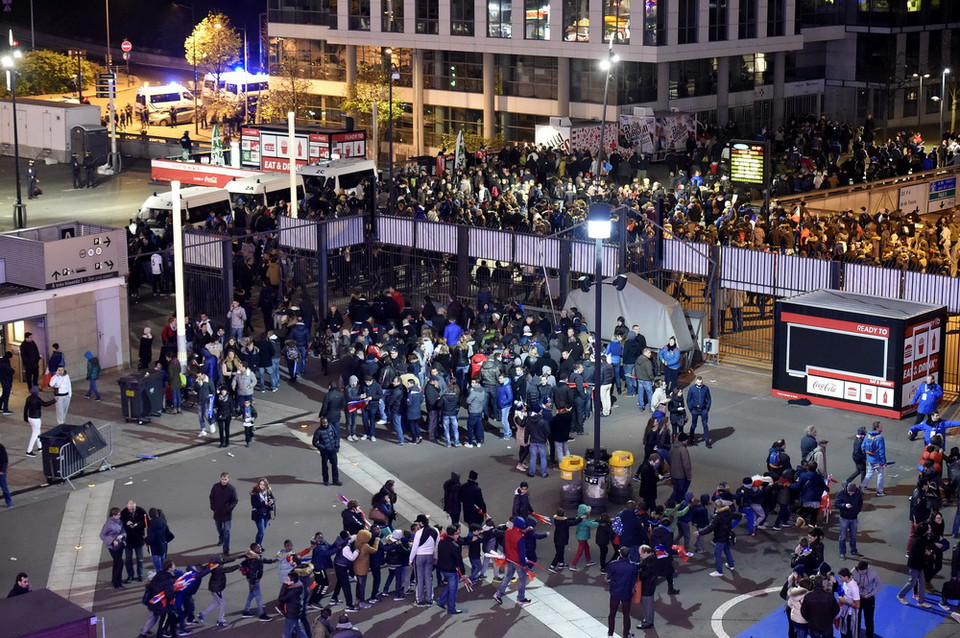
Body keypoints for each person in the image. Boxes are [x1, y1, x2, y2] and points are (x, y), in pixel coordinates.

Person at [695, 498, 741, 577]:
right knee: (727, 551)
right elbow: (737, 516)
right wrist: (741, 515)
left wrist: (700, 533)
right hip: (727, 535)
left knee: (717, 555)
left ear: (716, 506)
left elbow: (710, 528)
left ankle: (719, 571)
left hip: (719, 538)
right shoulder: (728, 512)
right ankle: (731, 565)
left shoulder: (717, 517)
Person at [493, 516, 533, 606]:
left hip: (509, 558)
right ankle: (520, 598)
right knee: (523, 579)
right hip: (518, 561)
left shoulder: (508, 531)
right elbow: (521, 552)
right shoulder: (520, 536)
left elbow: (504, 544)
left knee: (508, 576)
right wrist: (524, 564)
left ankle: (498, 594)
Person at [195, 553, 240, 628]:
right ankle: (220, 620)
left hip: (214, 587)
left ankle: (202, 614)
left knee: (216, 602)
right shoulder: (218, 568)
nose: (221, 559)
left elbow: (225, 561)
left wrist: (238, 556)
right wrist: (239, 565)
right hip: (217, 588)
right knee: (223, 603)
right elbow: (229, 569)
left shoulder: (211, 565)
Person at [605, 547, 638, 638]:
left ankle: (610, 633)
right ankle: (626, 634)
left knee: (612, 613)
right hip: (626, 592)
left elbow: (608, 574)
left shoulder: (613, 565)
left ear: (620, 554)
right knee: (626, 615)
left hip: (615, 591)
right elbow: (635, 574)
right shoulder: (632, 566)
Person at [409, 514, 438, 606]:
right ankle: (430, 599)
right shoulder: (435, 531)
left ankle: (419, 599)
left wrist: (410, 559)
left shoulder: (419, 533)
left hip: (420, 556)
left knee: (419, 578)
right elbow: (436, 545)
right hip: (430, 555)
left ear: (421, 523)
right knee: (429, 578)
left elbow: (414, 547)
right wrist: (435, 556)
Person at [436, 525, 466, 615]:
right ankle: (451, 608)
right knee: (453, 590)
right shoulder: (455, 546)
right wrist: (463, 573)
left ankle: (441, 601)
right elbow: (459, 560)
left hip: (443, 568)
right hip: (452, 570)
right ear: (454, 533)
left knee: (449, 586)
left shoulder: (441, 542)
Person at [120, 500, 148, 583]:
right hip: (128, 540)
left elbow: (146, 523)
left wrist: (137, 524)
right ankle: (130, 575)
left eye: (132, 509)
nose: (131, 511)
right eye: (129, 509)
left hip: (138, 539)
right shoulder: (124, 512)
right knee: (128, 560)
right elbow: (120, 524)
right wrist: (126, 523)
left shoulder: (141, 511)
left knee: (140, 559)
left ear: (135, 506)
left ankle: (140, 575)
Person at [23, 385, 54, 457]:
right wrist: (54, 400)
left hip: (30, 417)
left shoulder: (28, 398)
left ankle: (40, 447)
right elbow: (45, 404)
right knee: (35, 434)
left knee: (37, 432)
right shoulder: (37, 399)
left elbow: (25, 408)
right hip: (36, 418)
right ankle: (29, 451)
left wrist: (25, 418)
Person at [835, 482, 863, 560]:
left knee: (853, 536)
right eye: (849, 492)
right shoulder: (841, 493)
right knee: (842, 536)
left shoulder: (858, 493)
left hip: (854, 517)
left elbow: (860, 502)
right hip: (844, 517)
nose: (850, 494)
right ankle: (842, 552)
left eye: (852, 493)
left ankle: (853, 551)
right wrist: (844, 505)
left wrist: (857, 510)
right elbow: (836, 503)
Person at [100, 507, 126, 589]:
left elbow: (123, 531)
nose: (119, 516)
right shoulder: (109, 524)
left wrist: (122, 535)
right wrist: (112, 541)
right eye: (118, 515)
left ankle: (116, 581)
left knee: (117, 562)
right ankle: (117, 582)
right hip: (112, 546)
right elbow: (102, 535)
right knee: (119, 563)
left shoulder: (119, 521)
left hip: (119, 544)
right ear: (113, 515)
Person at [853, 560, 880, 638]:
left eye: (863, 571)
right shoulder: (854, 572)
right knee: (856, 619)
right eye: (860, 571)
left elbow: (879, 585)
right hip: (857, 598)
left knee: (869, 620)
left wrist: (870, 594)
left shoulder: (873, 573)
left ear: (867, 569)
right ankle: (856, 635)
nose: (861, 572)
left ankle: (869, 636)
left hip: (869, 599)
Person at [278, 571, 308, 638]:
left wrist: (284, 586)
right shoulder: (299, 587)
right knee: (299, 630)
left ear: (292, 582)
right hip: (296, 612)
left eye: (288, 580)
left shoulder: (292, 591)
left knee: (286, 635)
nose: (286, 581)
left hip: (291, 614)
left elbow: (281, 598)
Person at [313, 417, 342, 486]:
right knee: (325, 466)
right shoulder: (318, 431)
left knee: (335, 466)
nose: (325, 424)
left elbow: (336, 435)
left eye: (326, 423)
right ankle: (326, 480)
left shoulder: (331, 427)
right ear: (321, 423)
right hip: (325, 452)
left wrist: (336, 445)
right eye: (323, 423)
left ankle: (336, 480)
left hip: (332, 450)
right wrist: (323, 447)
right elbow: (314, 442)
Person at [861, 422, 886, 496]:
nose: (882, 427)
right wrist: (884, 461)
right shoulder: (880, 438)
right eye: (881, 426)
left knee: (870, 472)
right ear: (877, 428)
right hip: (877, 460)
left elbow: (863, 446)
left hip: (869, 458)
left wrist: (866, 456)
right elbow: (881, 451)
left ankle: (862, 486)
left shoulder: (868, 435)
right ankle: (880, 491)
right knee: (880, 474)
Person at [145, 507, 174, 573]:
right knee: (164, 567)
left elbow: (151, 538)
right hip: (163, 548)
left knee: (158, 570)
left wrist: (146, 540)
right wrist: (165, 542)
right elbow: (170, 535)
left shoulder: (151, 523)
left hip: (155, 550)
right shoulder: (163, 521)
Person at [687, 375, 712, 448]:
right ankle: (691, 439)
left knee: (705, 425)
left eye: (701, 383)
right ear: (696, 382)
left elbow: (709, 399)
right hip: (695, 410)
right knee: (693, 425)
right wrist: (691, 409)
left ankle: (707, 441)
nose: (700, 384)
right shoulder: (692, 389)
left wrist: (707, 408)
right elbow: (688, 399)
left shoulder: (705, 388)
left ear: (702, 382)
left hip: (703, 409)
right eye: (698, 383)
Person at [250, 478, 276, 547]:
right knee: (261, 531)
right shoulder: (254, 493)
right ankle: (257, 546)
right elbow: (254, 504)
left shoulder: (268, 491)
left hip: (266, 514)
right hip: (258, 514)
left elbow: (273, 499)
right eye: (260, 484)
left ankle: (259, 545)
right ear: (258, 485)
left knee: (263, 531)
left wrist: (272, 501)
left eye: (263, 485)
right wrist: (264, 503)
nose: (262, 486)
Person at [836, 567, 861, 638]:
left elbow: (857, 605)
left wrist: (845, 601)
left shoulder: (854, 588)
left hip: (850, 614)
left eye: (840, 577)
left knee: (848, 634)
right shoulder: (845, 583)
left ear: (846, 577)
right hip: (843, 611)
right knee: (843, 632)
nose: (839, 579)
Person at [0, 438, 11, 508]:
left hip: (1, 472)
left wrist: (2, 471)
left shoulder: (1, 448)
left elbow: (5, 460)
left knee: (4, 487)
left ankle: (9, 502)